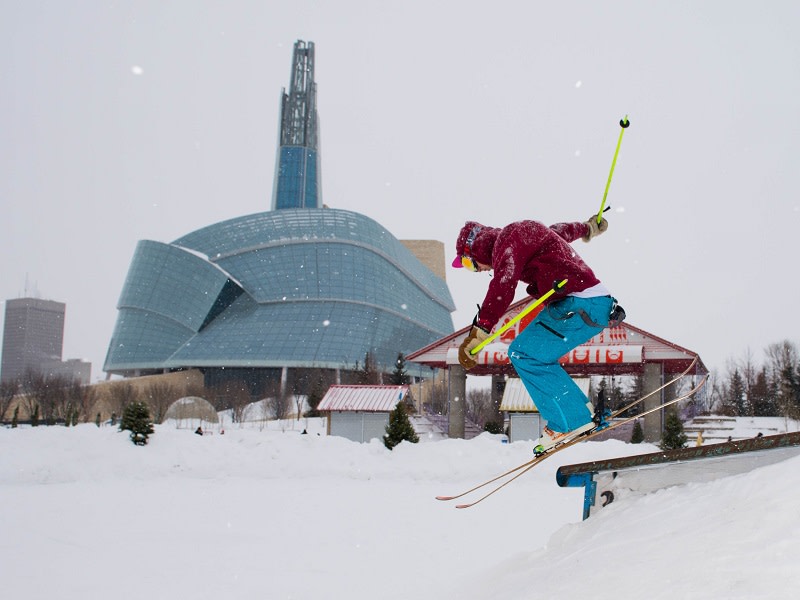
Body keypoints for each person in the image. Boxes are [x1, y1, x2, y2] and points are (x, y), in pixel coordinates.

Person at [453, 214, 624, 454]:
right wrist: (588, 228)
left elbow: (504, 281)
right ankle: (573, 415)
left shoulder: (509, 239)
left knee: (524, 355)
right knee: (531, 355)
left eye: (471, 264)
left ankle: (571, 421)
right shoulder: (524, 235)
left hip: (578, 304)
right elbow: (560, 231)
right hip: (595, 306)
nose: (479, 270)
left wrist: (481, 330)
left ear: (478, 248)